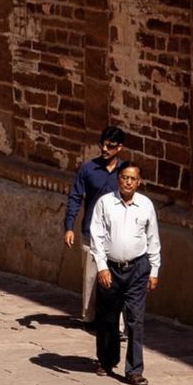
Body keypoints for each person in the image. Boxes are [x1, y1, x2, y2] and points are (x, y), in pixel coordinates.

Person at [87, 163, 161, 385]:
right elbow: (97, 236)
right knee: (108, 318)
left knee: (135, 320)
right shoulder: (105, 203)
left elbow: (153, 239)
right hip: (111, 268)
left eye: (133, 178)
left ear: (138, 182)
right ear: (118, 179)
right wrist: (101, 266)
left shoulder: (146, 205)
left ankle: (134, 370)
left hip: (137, 269)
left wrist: (154, 269)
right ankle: (107, 360)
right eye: (125, 177)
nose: (128, 182)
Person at [62, 125, 128, 324]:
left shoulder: (125, 172)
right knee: (91, 278)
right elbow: (75, 197)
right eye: (103, 144)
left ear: (119, 148)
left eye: (111, 146)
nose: (105, 149)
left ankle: (119, 324)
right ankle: (90, 318)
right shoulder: (88, 169)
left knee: (119, 280)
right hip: (91, 232)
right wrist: (68, 227)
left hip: (118, 234)